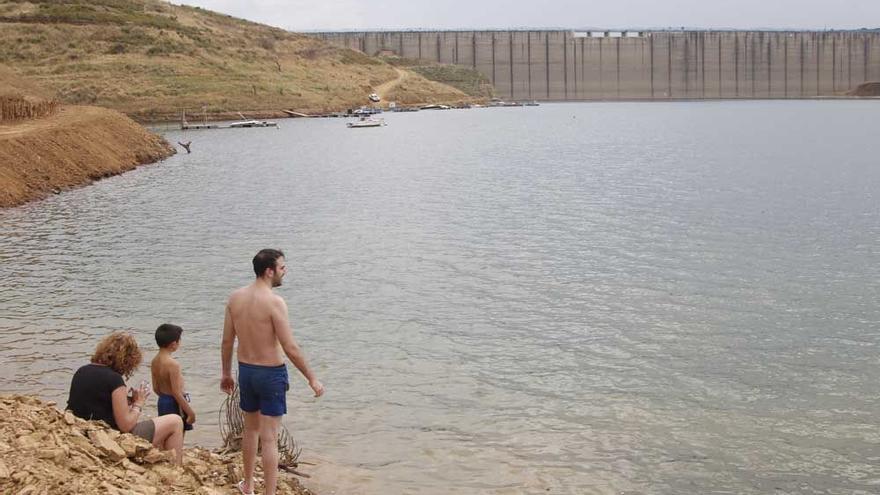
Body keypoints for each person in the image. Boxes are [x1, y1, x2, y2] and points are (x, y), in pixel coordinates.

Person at [221, 248, 324, 495]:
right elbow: (290, 346)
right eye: (282, 267)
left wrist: (226, 373)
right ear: (269, 271)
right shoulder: (275, 302)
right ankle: (269, 492)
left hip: (246, 370)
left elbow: (227, 341)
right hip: (270, 373)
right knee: (269, 437)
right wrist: (312, 378)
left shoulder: (235, 298)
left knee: (250, 430)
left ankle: (248, 484)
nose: (284, 272)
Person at [67, 331, 184, 465]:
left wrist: (127, 401)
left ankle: (163, 460)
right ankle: (176, 467)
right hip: (110, 439)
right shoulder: (115, 380)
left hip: (82, 431)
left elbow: (93, 401)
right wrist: (138, 403)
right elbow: (126, 425)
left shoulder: (82, 370)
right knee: (175, 421)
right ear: (128, 360)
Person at [151, 323, 195, 432]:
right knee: (178, 433)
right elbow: (176, 392)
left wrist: (164, 398)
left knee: (165, 432)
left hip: (162, 401)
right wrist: (190, 413)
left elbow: (155, 388)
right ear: (174, 344)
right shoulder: (173, 364)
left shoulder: (154, 361)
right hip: (175, 403)